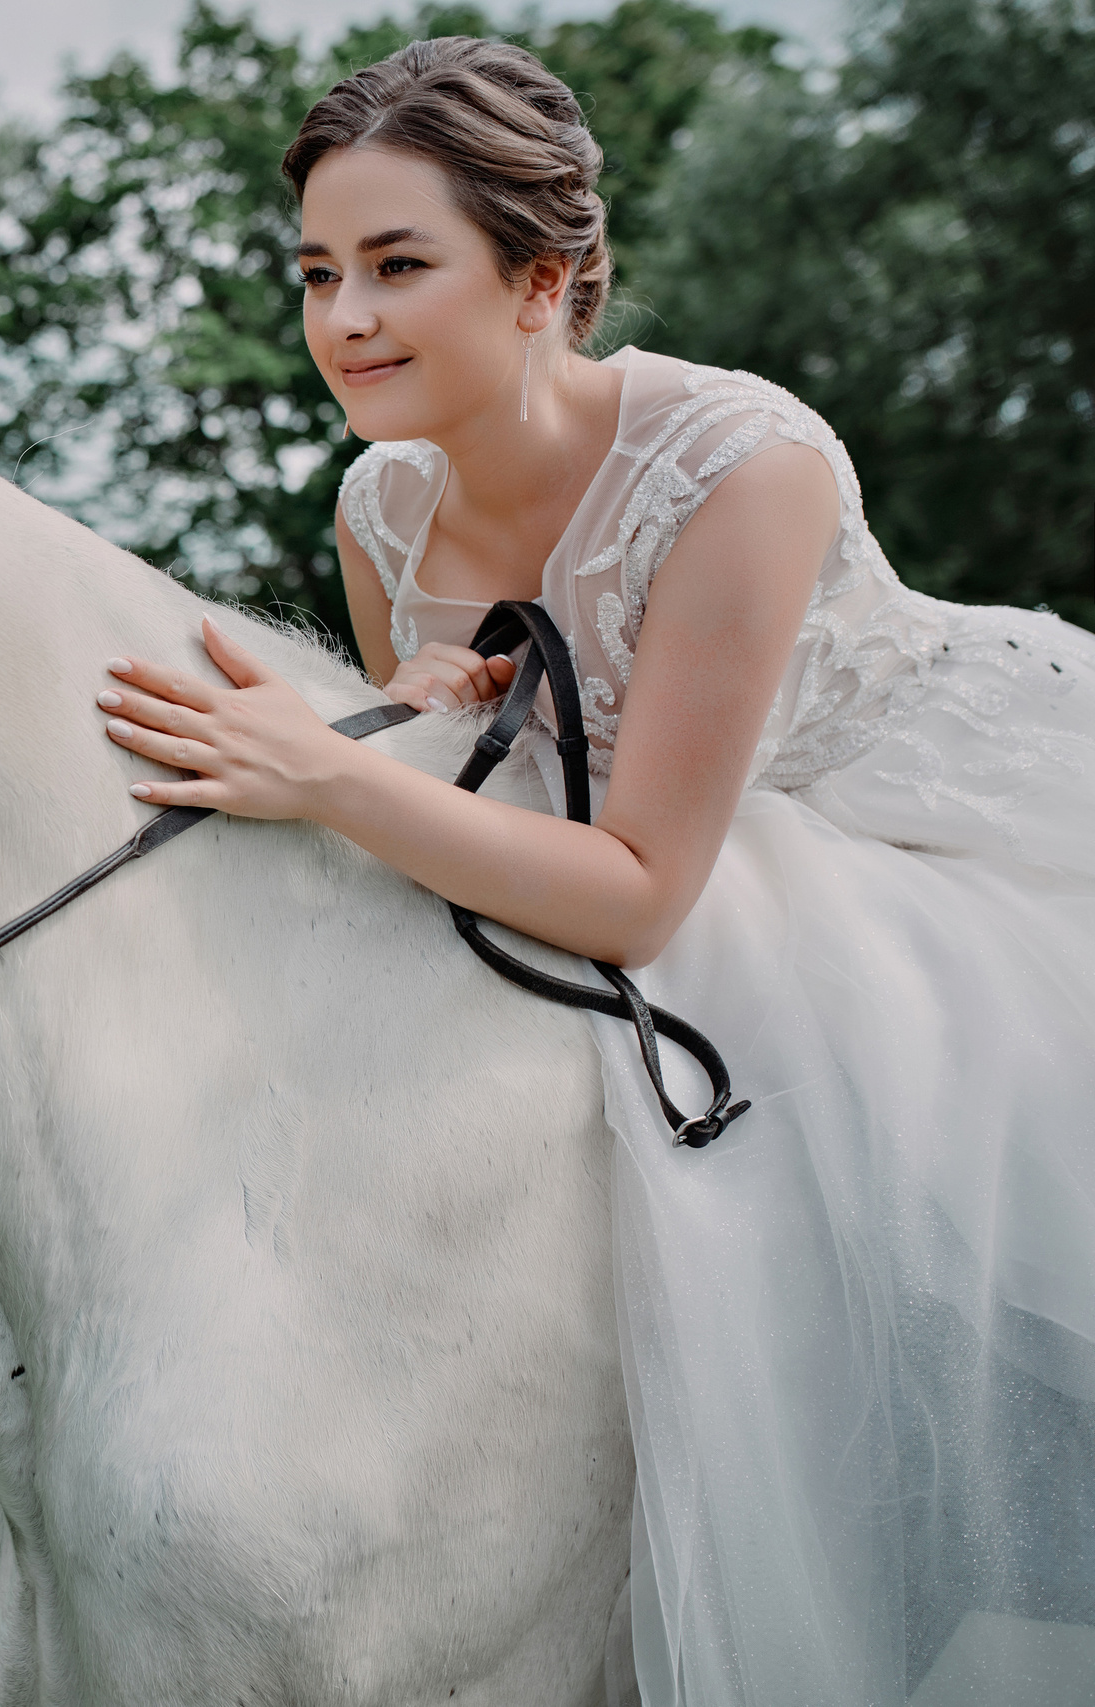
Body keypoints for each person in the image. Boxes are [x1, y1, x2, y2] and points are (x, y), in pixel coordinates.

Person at [92, 36, 1095, 1707]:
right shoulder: (381, 508)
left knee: (962, 1199)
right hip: (637, 853)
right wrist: (408, 722)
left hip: (891, 831)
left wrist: (331, 771)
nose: (347, 322)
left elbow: (640, 885)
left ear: (541, 280)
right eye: (322, 273)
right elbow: (484, 778)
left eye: (401, 267)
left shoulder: (739, 469)